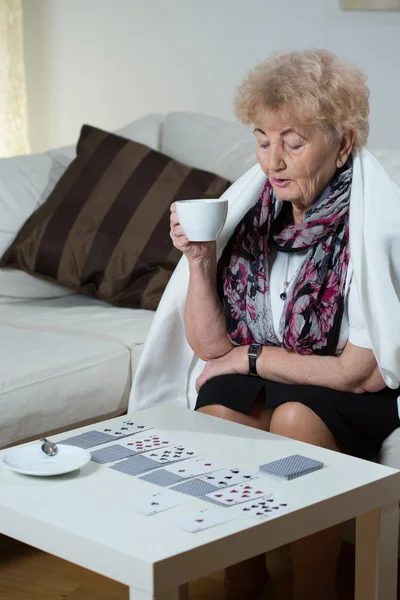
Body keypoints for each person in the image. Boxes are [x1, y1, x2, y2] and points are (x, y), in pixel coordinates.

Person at [167, 49, 400, 600]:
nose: (273, 162)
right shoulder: (252, 214)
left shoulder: (371, 222)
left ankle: (315, 591)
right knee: (220, 405)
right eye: (263, 139)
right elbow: (210, 345)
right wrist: (200, 260)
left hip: (355, 387)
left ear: (342, 144)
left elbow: (360, 371)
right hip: (280, 371)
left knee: (294, 417)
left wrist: (251, 359)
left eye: (293, 143)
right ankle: (242, 578)